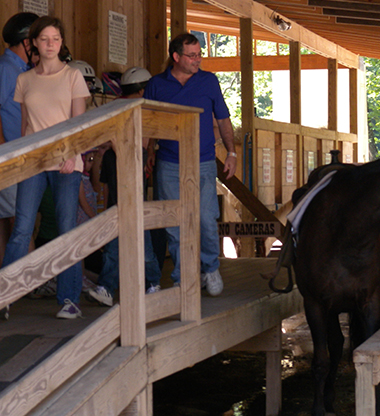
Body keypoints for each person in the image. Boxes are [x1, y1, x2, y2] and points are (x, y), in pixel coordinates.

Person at [1, 16, 90, 319]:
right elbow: (26, 126)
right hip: (34, 163)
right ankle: (5, 293)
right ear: (33, 43)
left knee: (66, 228)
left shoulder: (73, 76)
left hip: (67, 163)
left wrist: (71, 155)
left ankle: (69, 299)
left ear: (61, 43)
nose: (50, 44)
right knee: (22, 227)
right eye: (44, 39)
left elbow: (80, 125)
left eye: (56, 39)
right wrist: (23, 159)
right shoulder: (24, 80)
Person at [144, 33, 236, 296]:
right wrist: (150, 150)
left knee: (207, 219)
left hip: (204, 160)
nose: (198, 60)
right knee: (175, 223)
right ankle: (183, 276)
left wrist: (232, 153)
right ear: (176, 57)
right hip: (169, 162)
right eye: (192, 55)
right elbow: (150, 120)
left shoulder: (209, 81)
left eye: (199, 55)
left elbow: (223, 118)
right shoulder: (156, 84)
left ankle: (210, 268)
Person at [87, 66, 162, 307]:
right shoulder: (137, 107)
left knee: (135, 232)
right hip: (122, 169)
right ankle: (133, 284)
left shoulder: (133, 107)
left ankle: (135, 284)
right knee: (127, 233)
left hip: (128, 166)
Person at [0, 12, 39, 263]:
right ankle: (35, 276)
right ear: (26, 42)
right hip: (9, 154)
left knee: (9, 217)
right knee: (21, 217)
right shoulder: (6, 69)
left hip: (19, 153)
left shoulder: (22, 70)